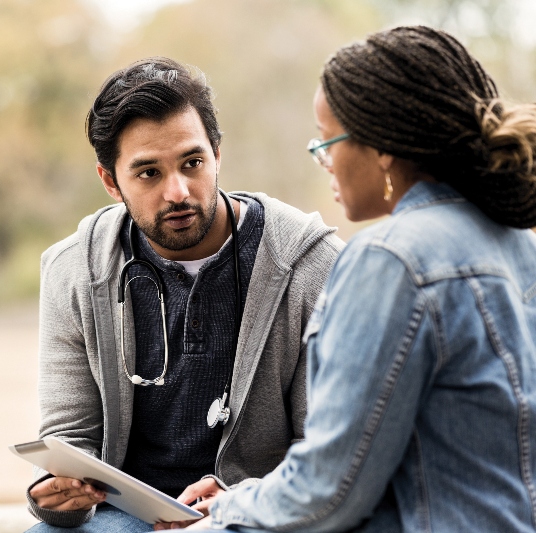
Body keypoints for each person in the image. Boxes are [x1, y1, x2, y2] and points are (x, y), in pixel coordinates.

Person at [183, 25, 536, 532]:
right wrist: (251, 494)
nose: (323, 158)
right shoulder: (517, 240)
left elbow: (329, 492)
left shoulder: (392, 261)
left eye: (328, 140)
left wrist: (224, 512)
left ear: (384, 148)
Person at [24, 57, 344, 531]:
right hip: (126, 514)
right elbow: (69, 439)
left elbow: (325, 449)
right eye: (148, 173)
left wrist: (240, 501)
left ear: (217, 154)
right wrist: (52, 494)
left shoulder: (312, 266)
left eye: (192, 163)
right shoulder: (73, 270)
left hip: (261, 511)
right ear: (111, 181)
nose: (178, 191)